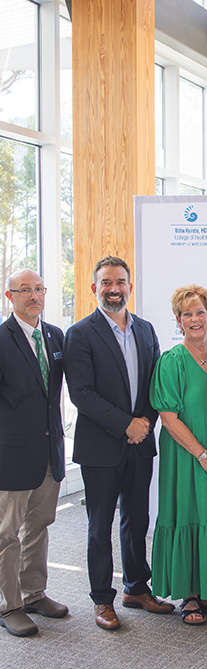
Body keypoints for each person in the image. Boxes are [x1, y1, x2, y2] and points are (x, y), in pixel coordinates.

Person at [63, 256, 174, 630]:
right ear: (95, 288)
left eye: (121, 282)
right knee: (99, 526)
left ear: (129, 286)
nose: (114, 289)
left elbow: (155, 384)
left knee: (136, 519)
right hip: (101, 447)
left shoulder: (145, 330)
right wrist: (127, 424)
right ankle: (101, 600)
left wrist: (145, 423)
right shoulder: (79, 334)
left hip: (139, 445)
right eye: (106, 283)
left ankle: (136, 588)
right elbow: (82, 393)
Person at [149, 285, 207, 625]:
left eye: (201, 312)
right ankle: (189, 595)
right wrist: (203, 455)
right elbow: (168, 417)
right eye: (187, 314)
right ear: (178, 320)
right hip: (187, 458)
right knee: (187, 514)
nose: (195, 319)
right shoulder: (172, 361)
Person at [0, 270, 68, 637]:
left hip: (49, 452)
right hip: (10, 455)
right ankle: (9, 605)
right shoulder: (1, 338)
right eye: (24, 290)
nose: (33, 296)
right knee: (6, 534)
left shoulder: (55, 336)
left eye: (39, 289)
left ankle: (34, 593)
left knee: (39, 525)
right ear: (10, 296)